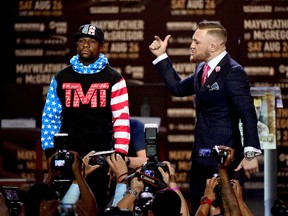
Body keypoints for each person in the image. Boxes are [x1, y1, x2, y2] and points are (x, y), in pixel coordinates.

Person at [149, 20, 262, 214]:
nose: (191, 46)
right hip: (200, 160)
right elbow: (177, 88)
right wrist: (161, 57)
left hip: (224, 162)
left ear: (212, 46)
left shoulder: (233, 72)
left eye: (196, 42)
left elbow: (247, 112)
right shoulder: (202, 68)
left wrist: (250, 153)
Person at [41, 23, 130, 215]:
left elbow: (121, 119)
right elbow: (50, 118)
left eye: (91, 41)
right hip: (67, 153)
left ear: (101, 46)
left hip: (101, 153)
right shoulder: (61, 77)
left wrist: (119, 156)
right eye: (81, 41)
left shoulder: (114, 78)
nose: (85, 45)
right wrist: (49, 152)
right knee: (64, 206)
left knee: (94, 205)